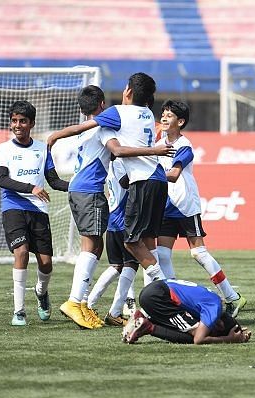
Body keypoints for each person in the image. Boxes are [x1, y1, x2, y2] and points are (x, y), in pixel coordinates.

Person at [47, 84, 174, 330]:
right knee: (91, 246)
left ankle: (83, 304)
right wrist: (153, 150)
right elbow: (117, 150)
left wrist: (56, 135)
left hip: (80, 188)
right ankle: (75, 302)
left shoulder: (88, 131)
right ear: (103, 105)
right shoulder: (105, 127)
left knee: (96, 246)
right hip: (89, 190)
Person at [154, 100, 247, 317]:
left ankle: (232, 296)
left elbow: (174, 175)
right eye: (164, 114)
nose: (165, 118)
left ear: (181, 121)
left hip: (186, 205)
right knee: (162, 254)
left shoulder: (184, 146)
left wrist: (148, 175)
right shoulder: (159, 141)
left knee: (198, 252)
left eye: (170, 115)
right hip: (166, 206)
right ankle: (175, 300)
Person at [0, 100, 70, 326]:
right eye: (14, 121)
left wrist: (77, 186)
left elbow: (54, 180)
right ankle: (19, 311)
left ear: (32, 124)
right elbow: (3, 180)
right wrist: (32, 189)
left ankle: (41, 291)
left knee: (46, 264)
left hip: (38, 210)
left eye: (23, 121)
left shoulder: (42, 149)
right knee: (21, 252)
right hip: (13, 207)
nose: (17, 125)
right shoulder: (3, 149)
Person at [86, 158, 139, 327]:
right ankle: (115, 312)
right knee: (131, 263)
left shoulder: (111, 164)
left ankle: (88, 305)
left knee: (117, 266)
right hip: (124, 221)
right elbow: (126, 183)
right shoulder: (120, 163)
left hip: (114, 221)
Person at [122, 279, 252, 345]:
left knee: (187, 326)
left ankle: (145, 318)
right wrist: (228, 339)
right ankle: (148, 326)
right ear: (220, 325)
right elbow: (198, 339)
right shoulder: (214, 309)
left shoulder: (214, 302)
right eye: (215, 331)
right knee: (193, 335)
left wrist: (236, 327)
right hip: (159, 296)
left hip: (156, 291)